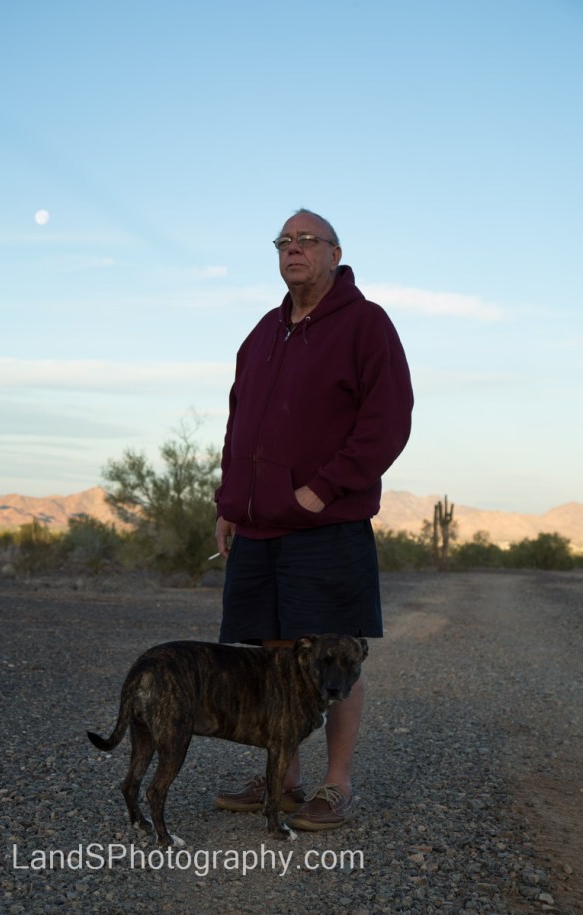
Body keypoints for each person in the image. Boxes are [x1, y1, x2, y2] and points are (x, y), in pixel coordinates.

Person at [212, 208, 413, 830]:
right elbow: (238, 420)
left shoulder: (365, 325)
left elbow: (389, 420)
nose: (293, 249)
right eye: (284, 241)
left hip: (326, 526)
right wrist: (229, 503)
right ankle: (285, 778)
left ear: (334, 253)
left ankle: (335, 786)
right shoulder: (262, 333)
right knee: (276, 661)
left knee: (335, 661)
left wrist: (325, 489)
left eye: (307, 241)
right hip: (259, 527)